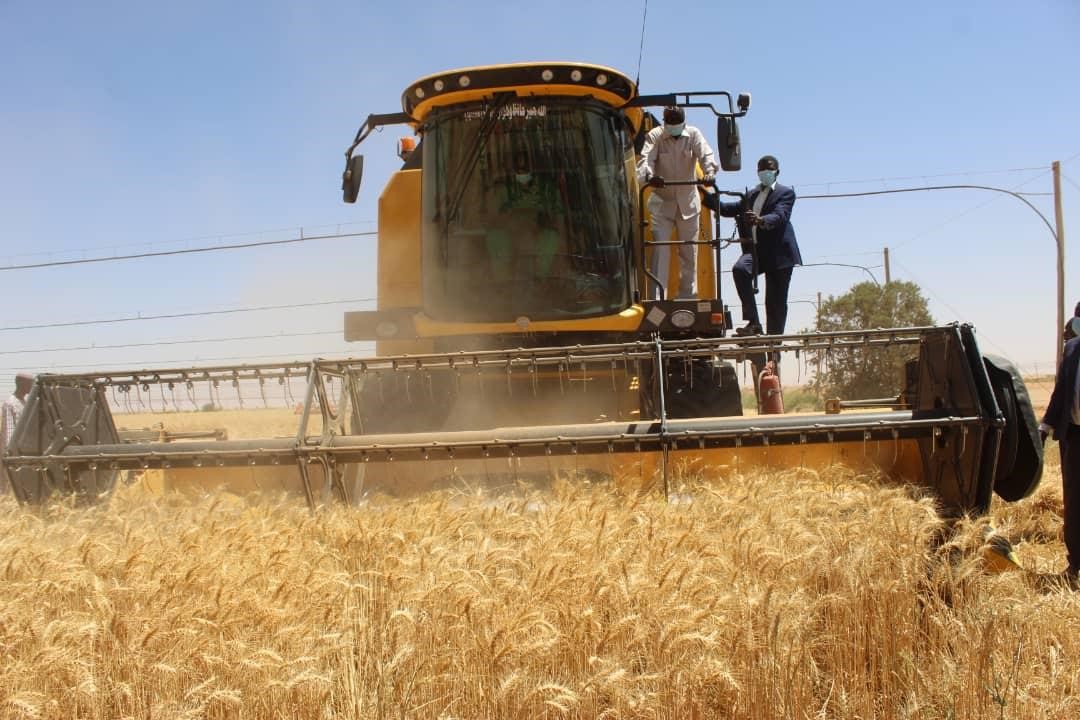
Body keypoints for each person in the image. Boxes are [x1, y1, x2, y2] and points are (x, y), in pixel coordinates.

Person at [710, 154, 802, 336]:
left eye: (769, 170)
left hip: (779, 255)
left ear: (777, 172)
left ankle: (773, 357)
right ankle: (753, 322)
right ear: (757, 172)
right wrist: (707, 198)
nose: (765, 173)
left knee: (774, 304)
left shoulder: (785, 193)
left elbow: (780, 215)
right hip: (757, 252)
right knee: (740, 269)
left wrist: (760, 220)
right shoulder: (751, 195)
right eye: (762, 170)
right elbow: (729, 209)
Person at [637, 107, 719, 299]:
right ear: (664, 122)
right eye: (670, 124)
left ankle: (687, 297)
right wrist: (649, 176)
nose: (673, 128)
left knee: (689, 253)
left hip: (689, 203)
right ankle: (658, 299)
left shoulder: (693, 134)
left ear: (684, 122)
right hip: (662, 204)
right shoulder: (655, 135)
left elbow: (706, 154)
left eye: (677, 124)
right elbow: (646, 160)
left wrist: (709, 173)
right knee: (660, 250)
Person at [1040, 315, 1080, 588]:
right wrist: (1044, 427)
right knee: (1075, 503)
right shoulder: (1072, 349)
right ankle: (1076, 563)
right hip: (1075, 436)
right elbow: (1061, 392)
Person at [485, 151, 563, 282]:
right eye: (518, 168)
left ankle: (541, 280)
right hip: (509, 232)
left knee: (551, 237)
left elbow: (560, 220)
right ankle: (503, 283)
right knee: (494, 236)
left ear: (534, 168)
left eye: (525, 168)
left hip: (539, 231)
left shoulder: (548, 189)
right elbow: (491, 218)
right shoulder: (501, 189)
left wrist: (539, 224)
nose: (522, 173)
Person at [0, 372, 33, 495]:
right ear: (20, 384)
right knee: (9, 485)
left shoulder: (24, 402)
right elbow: (9, 431)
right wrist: (11, 455)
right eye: (30, 383)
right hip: (13, 452)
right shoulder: (10, 403)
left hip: (22, 450)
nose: (32, 386)